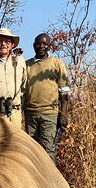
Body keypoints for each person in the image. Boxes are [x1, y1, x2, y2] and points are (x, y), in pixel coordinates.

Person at [24, 33, 70, 162]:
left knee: (48, 151)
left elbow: (64, 93)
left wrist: (63, 114)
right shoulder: (27, 65)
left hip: (50, 115)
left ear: (49, 46)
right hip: (30, 115)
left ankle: (50, 181)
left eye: (44, 44)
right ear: (34, 45)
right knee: (31, 151)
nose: (41, 46)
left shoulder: (57, 64)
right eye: (38, 43)